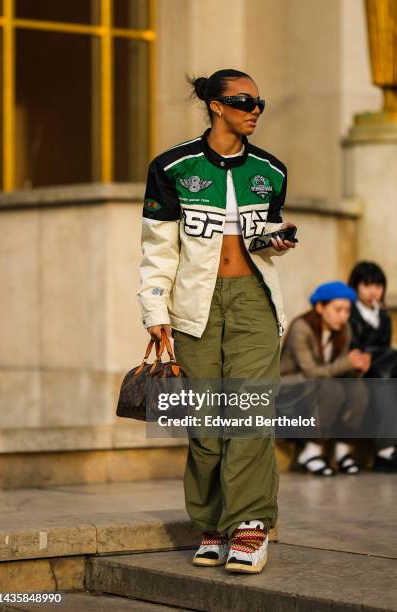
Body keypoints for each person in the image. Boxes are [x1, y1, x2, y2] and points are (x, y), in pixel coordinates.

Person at [136, 68, 296, 574]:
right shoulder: (172, 166)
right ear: (215, 105)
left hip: (253, 300)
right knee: (206, 426)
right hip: (193, 306)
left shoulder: (272, 171)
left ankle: (249, 525)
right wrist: (155, 309)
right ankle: (212, 521)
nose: (254, 110)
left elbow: (260, 236)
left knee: (249, 414)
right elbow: (158, 249)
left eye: (260, 102)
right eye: (244, 101)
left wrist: (276, 239)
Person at [280, 281, 371, 476]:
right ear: (320, 307)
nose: (343, 316)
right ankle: (311, 452)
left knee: (358, 389)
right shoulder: (301, 327)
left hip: (321, 385)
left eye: (347, 311)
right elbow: (311, 372)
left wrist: (356, 368)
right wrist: (346, 363)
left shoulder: (343, 330)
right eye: (338, 310)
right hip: (291, 389)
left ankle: (343, 451)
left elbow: (336, 369)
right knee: (332, 389)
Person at [348, 261, 397, 472]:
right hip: (359, 372)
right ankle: (385, 451)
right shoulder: (348, 313)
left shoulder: (384, 317)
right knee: (385, 386)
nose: (373, 291)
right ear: (355, 287)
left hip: (382, 371)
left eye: (378, 286)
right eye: (367, 285)